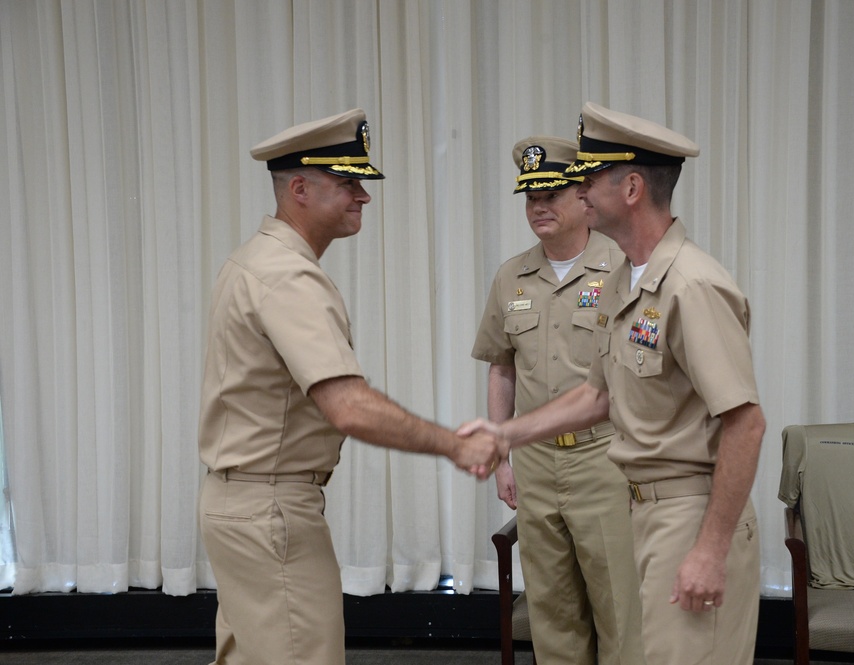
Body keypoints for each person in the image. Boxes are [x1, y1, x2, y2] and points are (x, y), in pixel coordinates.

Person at [197, 108, 506, 665]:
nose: (363, 195)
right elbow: (349, 407)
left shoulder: (251, 261)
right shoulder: (287, 276)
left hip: (238, 503)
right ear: (299, 189)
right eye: (347, 183)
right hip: (270, 509)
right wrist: (455, 444)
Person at [462, 102, 765, 665]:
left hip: (688, 514)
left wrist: (711, 547)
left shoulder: (692, 285)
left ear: (630, 187)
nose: (580, 193)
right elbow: (597, 396)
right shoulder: (629, 279)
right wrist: (506, 436)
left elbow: (746, 422)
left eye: (589, 180)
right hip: (643, 508)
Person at [471, 137, 645, 665]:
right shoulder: (511, 276)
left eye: (551, 194)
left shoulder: (623, 267)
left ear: (583, 196)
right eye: (530, 197)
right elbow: (502, 368)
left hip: (605, 459)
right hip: (537, 464)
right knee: (552, 611)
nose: (539, 207)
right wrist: (502, 456)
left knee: (620, 606)